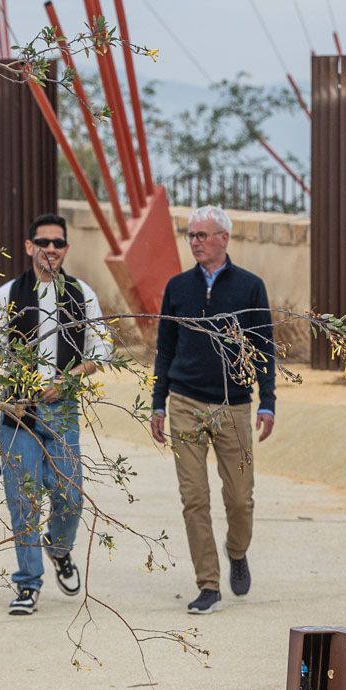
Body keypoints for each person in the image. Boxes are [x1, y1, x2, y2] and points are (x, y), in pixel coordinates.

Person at [0, 212, 113, 615]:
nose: (51, 249)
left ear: (66, 249)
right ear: (29, 247)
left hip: (63, 410)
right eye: (43, 242)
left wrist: (69, 379)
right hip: (18, 413)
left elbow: (101, 349)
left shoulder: (82, 293)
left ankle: (60, 548)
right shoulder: (7, 295)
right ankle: (28, 584)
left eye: (58, 243)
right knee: (23, 500)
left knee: (69, 495)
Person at [148, 205, 276, 615]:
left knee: (240, 499)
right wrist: (157, 403)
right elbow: (164, 348)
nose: (195, 242)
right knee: (194, 498)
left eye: (202, 235)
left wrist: (268, 401)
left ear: (224, 238)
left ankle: (237, 551)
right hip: (184, 402)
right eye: (191, 236)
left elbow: (264, 349)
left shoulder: (250, 287)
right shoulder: (178, 287)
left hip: (235, 406)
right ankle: (208, 584)